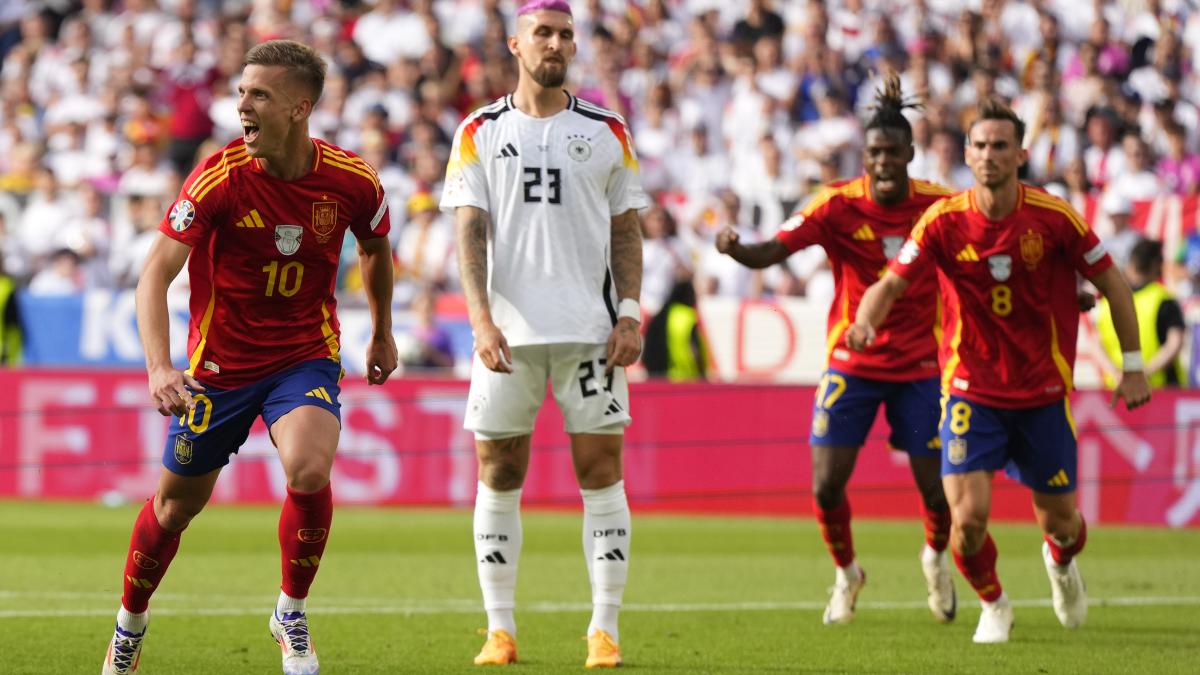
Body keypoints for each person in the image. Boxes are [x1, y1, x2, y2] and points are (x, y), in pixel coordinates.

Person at [101, 40, 398, 675]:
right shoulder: (218, 176)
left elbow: (375, 249)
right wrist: (159, 367)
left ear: (300, 107)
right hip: (220, 370)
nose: (242, 105)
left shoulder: (352, 179)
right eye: (240, 93)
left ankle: (291, 610)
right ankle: (129, 623)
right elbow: (154, 274)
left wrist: (382, 332)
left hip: (304, 356)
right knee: (174, 508)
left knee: (310, 470)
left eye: (258, 94)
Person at [847, 97, 1151, 644]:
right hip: (971, 391)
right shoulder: (942, 222)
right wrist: (866, 322)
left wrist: (1132, 366)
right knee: (966, 523)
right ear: (967, 153)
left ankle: (1060, 564)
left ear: (1021, 154)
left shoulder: (1054, 218)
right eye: (980, 146)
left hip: (1042, 392)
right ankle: (994, 602)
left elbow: (1113, 283)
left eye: (1000, 146)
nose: (989, 155)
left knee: (1063, 524)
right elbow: (890, 283)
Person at [440, 0, 648, 668]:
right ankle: (499, 628)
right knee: (498, 469)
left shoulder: (608, 129)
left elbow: (626, 228)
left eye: (564, 34)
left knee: (600, 470)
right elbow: (468, 228)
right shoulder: (478, 130)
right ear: (516, 44)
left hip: (591, 331)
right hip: (508, 333)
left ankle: (604, 628)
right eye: (543, 33)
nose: (555, 43)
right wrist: (478, 317)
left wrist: (631, 312)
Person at [716, 75, 958, 627]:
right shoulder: (835, 205)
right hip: (852, 361)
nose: (883, 161)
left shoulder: (940, 206)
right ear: (863, 154)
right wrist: (737, 250)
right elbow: (774, 250)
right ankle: (847, 574)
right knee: (826, 485)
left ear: (911, 153)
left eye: (893, 151)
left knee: (936, 489)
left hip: (920, 365)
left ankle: (935, 558)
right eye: (874, 152)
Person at [1096, 238, 1185, 388]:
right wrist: (1143, 373)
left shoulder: (1108, 301)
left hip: (1115, 390)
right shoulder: (1164, 300)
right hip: (1160, 392)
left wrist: (1115, 373)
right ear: (1157, 265)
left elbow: (1097, 344)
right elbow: (1174, 344)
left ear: (1131, 264)